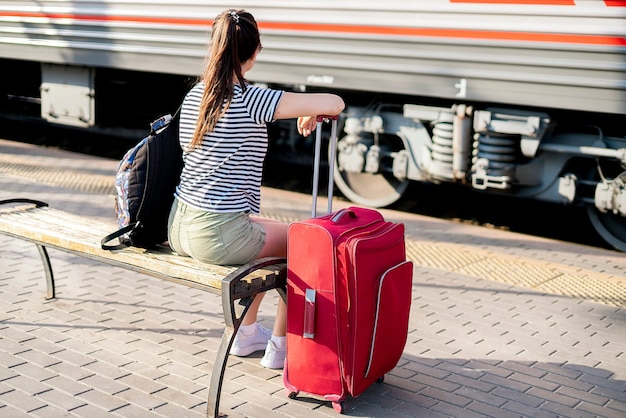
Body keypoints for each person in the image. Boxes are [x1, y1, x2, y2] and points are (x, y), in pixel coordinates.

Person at [167, 9, 345, 369]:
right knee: (304, 242)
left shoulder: (197, 96)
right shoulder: (252, 99)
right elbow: (335, 103)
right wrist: (305, 110)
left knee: (263, 229)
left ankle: (247, 335)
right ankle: (280, 347)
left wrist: (299, 112)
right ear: (255, 51)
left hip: (179, 227)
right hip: (217, 234)